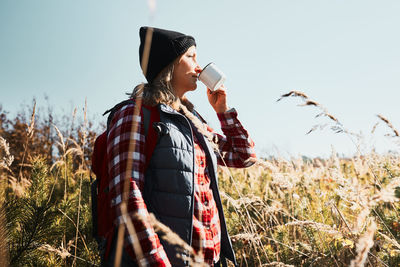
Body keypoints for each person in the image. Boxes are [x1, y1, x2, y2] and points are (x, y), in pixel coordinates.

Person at [103, 26, 256, 267]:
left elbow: (244, 155)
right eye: (191, 56)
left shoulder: (193, 122)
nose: (199, 66)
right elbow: (127, 197)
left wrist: (222, 111)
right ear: (169, 64)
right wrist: (157, 262)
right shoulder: (135, 115)